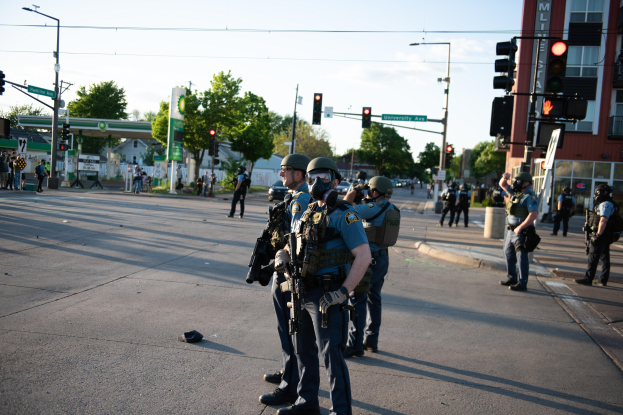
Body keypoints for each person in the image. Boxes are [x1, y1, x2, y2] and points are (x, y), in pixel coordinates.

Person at [275, 157, 371, 415]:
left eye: (323, 177)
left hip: (328, 294)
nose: (316, 182)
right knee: (303, 350)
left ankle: (340, 411)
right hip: (302, 290)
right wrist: (282, 254)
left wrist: (342, 292)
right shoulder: (309, 212)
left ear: (336, 181)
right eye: (311, 176)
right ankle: (307, 403)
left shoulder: (344, 214)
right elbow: (293, 243)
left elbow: (364, 256)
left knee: (331, 356)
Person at [260, 154, 311, 407]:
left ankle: (290, 385)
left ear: (299, 174)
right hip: (284, 269)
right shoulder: (292, 197)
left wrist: (272, 267)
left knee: (290, 329)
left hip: (288, 272)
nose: (281, 174)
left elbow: (295, 241)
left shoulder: (300, 200)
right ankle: (288, 370)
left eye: (285, 170)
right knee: (285, 329)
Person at [343, 176, 398, 358]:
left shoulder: (374, 207)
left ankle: (355, 344)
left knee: (358, 299)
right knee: (374, 299)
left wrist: (354, 192)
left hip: (370, 261)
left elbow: (345, 208)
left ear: (375, 192)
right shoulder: (391, 208)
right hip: (383, 259)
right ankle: (371, 340)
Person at [498, 172, 538, 291]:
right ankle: (512, 278)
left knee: (521, 257)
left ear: (526, 183)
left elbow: (533, 215)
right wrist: (504, 177)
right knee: (508, 253)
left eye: (519, 181)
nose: (516, 183)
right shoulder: (516, 193)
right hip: (511, 230)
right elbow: (502, 184)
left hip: (521, 231)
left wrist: (520, 228)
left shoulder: (530, 196)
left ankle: (522, 282)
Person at [575, 184, 617, 287]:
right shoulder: (608, 203)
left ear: (604, 192)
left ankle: (588, 279)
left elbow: (603, 220)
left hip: (601, 235)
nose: (596, 195)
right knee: (604, 257)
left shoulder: (605, 204)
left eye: (597, 192)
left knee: (593, 257)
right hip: (606, 234)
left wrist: (598, 235)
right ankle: (602, 279)